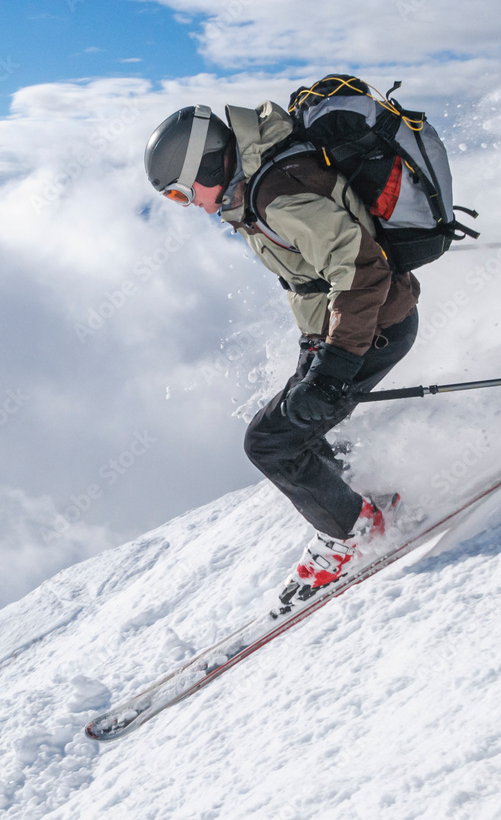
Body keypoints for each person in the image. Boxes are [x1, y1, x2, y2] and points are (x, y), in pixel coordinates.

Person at [144, 99, 420, 612]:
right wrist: (320, 350)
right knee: (293, 427)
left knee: (269, 442)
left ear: (206, 165)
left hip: (371, 328)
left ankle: (354, 530)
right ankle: (361, 505)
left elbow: (361, 272)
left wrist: (333, 367)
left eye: (184, 193)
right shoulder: (256, 186)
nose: (191, 206)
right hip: (342, 331)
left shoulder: (277, 195)